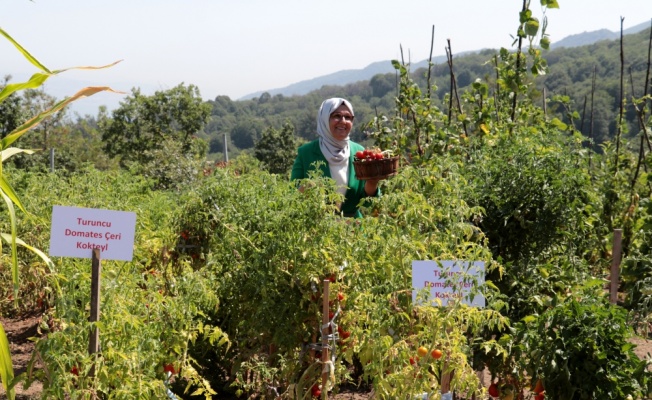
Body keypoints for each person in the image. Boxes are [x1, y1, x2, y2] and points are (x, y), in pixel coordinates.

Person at [291, 97, 380, 218]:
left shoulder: (359, 153)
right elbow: (291, 196)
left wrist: (373, 182)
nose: (343, 121)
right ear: (324, 119)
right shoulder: (306, 153)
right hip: (317, 230)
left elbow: (368, 202)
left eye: (348, 117)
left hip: (353, 230)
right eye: (336, 116)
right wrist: (306, 189)